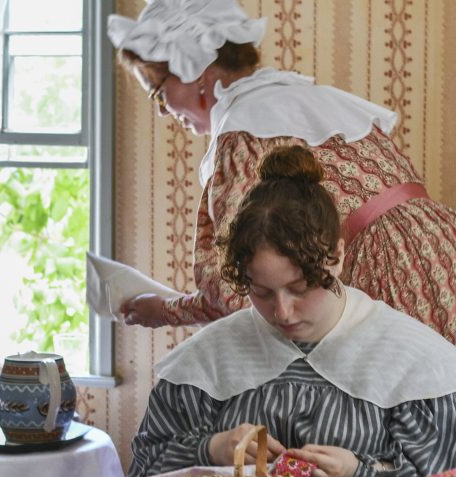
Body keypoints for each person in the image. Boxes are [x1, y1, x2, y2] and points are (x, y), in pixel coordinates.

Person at [107, 0, 456, 344]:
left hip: (388, 273)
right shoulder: (307, 98)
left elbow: (235, 292)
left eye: (158, 93)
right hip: (440, 244)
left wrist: (165, 311)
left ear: (194, 68)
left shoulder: (242, 133)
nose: (163, 112)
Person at [129, 144, 456, 477]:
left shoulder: (418, 363)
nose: (282, 312)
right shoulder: (203, 363)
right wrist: (210, 448)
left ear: (338, 258)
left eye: (300, 288)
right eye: (261, 292)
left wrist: (361, 474)